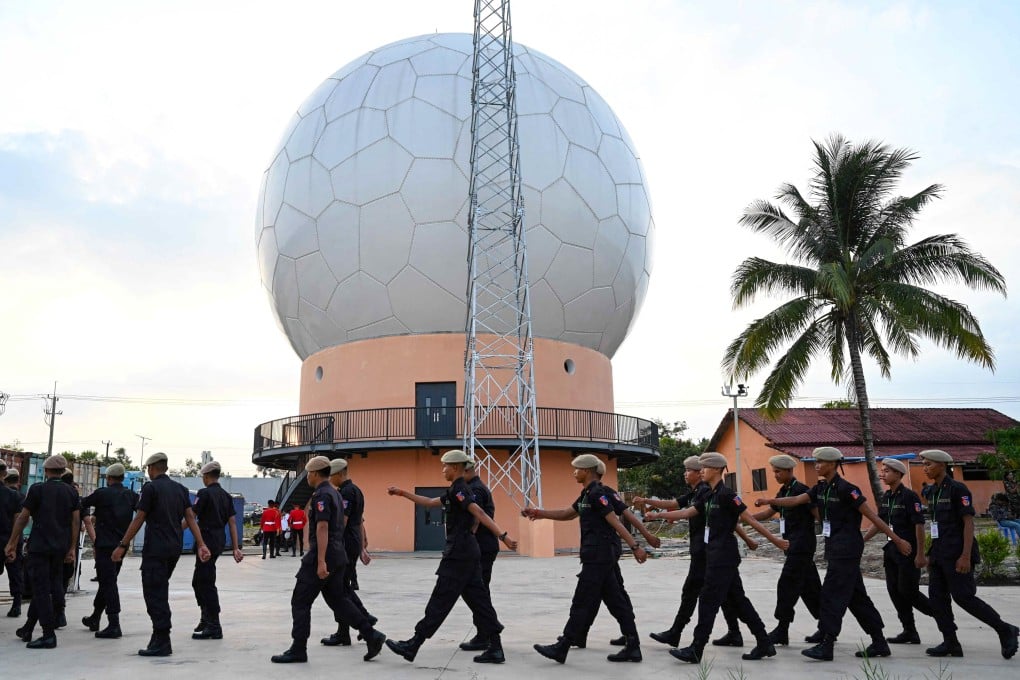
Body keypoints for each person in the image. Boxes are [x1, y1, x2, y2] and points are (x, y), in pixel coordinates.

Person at [756, 446, 910, 661]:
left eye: (820, 462)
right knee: (857, 597)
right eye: (815, 461)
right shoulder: (820, 488)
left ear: (833, 464)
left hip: (847, 549)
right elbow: (796, 501)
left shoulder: (848, 489)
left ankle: (827, 644)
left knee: (831, 595)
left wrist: (898, 540)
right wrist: (769, 501)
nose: (816, 465)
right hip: (835, 548)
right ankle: (879, 641)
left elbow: (872, 516)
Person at [647, 452, 789, 664]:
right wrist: (658, 515)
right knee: (739, 601)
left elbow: (748, 519)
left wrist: (775, 540)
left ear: (715, 470)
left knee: (707, 601)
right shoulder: (708, 495)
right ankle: (764, 642)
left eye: (704, 468)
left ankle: (696, 649)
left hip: (724, 557)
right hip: (714, 555)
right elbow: (686, 513)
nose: (700, 470)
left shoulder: (727, 495)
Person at [386, 449, 517, 664]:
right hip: (466, 552)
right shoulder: (455, 490)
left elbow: (479, 513)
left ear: (455, 467)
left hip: (459, 553)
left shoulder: (461, 490)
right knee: (480, 601)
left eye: (445, 466)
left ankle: (414, 644)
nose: (443, 470)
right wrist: (403, 493)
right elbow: (429, 503)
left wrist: (503, 536)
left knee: (441, 598)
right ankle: (496, 647)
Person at [529, 453, 648, 664]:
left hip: (599, 555)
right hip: (598, 554)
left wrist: (636, 546)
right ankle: (633, 645)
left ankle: (563, 645)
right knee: (615, 600)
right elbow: (568, 513)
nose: (574, 472)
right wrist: (540, 513)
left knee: (583, 599)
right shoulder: (586, 494)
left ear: (587, 471)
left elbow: (615, 521)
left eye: (577, 469)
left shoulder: (597, 494)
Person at [270, 456, 386, 664]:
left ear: (314, 473)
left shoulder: (322, 495)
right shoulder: (335, 493)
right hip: (338, 554)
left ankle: (298, 649)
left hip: (323, 555)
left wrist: (321, 560)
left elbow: (322, 527)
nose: (307, 478)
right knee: (338, 599)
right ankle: (371, 635)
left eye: (308, 474)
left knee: (300, 601)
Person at [635, 455, 755, 648]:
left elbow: (730, 519)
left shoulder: (709, 492)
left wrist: (750, 539)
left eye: (689, 470)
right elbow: (674, 505)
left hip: (709, 552)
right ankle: (738, 633)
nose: (687, 474)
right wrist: (652, 506)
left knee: (699, 593)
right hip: (707, 551)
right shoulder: (697, 493)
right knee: (728, 595)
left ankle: (682, 635)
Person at [919, 449, 1019, 659]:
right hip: (938, 552)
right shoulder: (933, 492)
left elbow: (968, 523)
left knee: (964, 597)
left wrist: (965, 556)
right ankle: (951, 642)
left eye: (928, 464)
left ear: (941, 465)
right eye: (924, 464)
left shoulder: (957, 489)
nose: (925, 468)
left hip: (957, 552)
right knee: (937, 599)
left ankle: (1004, 629)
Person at [112, 452, 211, 657]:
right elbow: (191, 518)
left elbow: (139, 518)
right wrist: (201, 543)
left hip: (155, 549)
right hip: (174, 549)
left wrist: (122, 545)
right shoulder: (180, 489)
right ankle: (159, 637)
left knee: (154, 594)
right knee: (160, 590)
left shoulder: (151, 488)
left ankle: (162, 639)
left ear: (151, 468)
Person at [4, 454, 80, 649]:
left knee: (41, 589)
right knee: (46, 587)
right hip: (60, 548)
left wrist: (12, 542)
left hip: (40, 547)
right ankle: (28, 628)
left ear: (46, 471)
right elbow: (75, 522)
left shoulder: (37, 489)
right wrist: (71, 548)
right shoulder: (71, 492)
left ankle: (48, 634)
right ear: (63, 471)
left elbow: (23, 517)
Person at [749, 454, 822, 645]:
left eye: (778, 471)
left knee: (786, 586)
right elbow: (768, 512)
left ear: (790, 471)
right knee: (810, 588)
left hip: (802, 545)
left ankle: (782, 629)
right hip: (792, 546)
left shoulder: (801, 490)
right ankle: (827, 626)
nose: (775, 475)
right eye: (774, 472)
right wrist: (743, 518)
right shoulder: (783, 491)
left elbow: (817, 514)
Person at [862, 458, 933, 644]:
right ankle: (909, 631)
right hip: (891, 550)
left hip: (908, 551)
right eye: (882, 470)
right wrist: (861, 540)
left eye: (887, 471)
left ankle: (941, 615)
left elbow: (919, 525)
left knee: (908, 591)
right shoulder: (887, 497)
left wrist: (920, 553)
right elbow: (880, 523)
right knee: (894, 591)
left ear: (898, 474)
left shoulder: (909, 497)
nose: (882, 474)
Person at [320, 458, 376, 648]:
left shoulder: (346, 492)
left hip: (344, 542)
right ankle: (349, 628)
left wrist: (330, 544)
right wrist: (362, 545)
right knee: (342, 587)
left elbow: (341, 521)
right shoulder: (356, 490)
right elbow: (360, 520)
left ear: (338, 474)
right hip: (352, 541)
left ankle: (363, 620)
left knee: (339, 588)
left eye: (332, 475)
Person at [79, 463, 138, 639]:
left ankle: (114, 624)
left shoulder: (102, 494)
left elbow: (81, 504)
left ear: (109, 478)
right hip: (121, 546)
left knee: (108, 583)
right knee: (107, 581)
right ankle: (95, 617)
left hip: (105, 545)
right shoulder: (132, 496)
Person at [191, 461, 244, 640]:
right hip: (219, 540)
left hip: (206, 542)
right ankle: (206, 618)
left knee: (205, 583)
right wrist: (236, 547)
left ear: (206, 477)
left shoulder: (204, 493)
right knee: (200, 581)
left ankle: (213, 624)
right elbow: (232, 523)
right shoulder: (226, 496)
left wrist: (177, 530)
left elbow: (192, 518)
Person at [456, 456, 502, 653]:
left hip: (481, 547)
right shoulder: (475, 486)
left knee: (478, 592)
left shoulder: (475, 489)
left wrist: (468, 537)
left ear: (466, 471)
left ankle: (488, 634)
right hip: (482, 546)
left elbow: (477, 517)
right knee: (476, 591)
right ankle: (486, 632)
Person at [1, 463, 25, 619]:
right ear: (3, 474)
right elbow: (18, 521)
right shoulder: (15, 496)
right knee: (15, 573)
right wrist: (13, 545)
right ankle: (16, 604)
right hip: (10, 540)